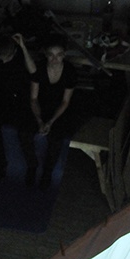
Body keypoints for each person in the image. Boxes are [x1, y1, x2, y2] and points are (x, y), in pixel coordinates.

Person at [0, 31, 36, 180]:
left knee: (25, 131)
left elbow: (33, 71)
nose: (4, 59)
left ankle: (32, 165)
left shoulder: (19, 58)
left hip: (18, 103)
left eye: (7, 56)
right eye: (1, 55)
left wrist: (23, 46)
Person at [29, 35, 78, 189]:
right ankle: (32, 166)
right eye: (51, 55)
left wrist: (50, 122)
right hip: (40, 106)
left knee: (56, 138)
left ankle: (48, 171)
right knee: (24, 132)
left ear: (64, 55)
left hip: (59, 110)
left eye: (59, 55)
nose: (55, 59)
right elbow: (33, 98)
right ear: (46, 54)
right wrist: (39, 120)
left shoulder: (69, 71)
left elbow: (65, 102)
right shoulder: (39, 68)